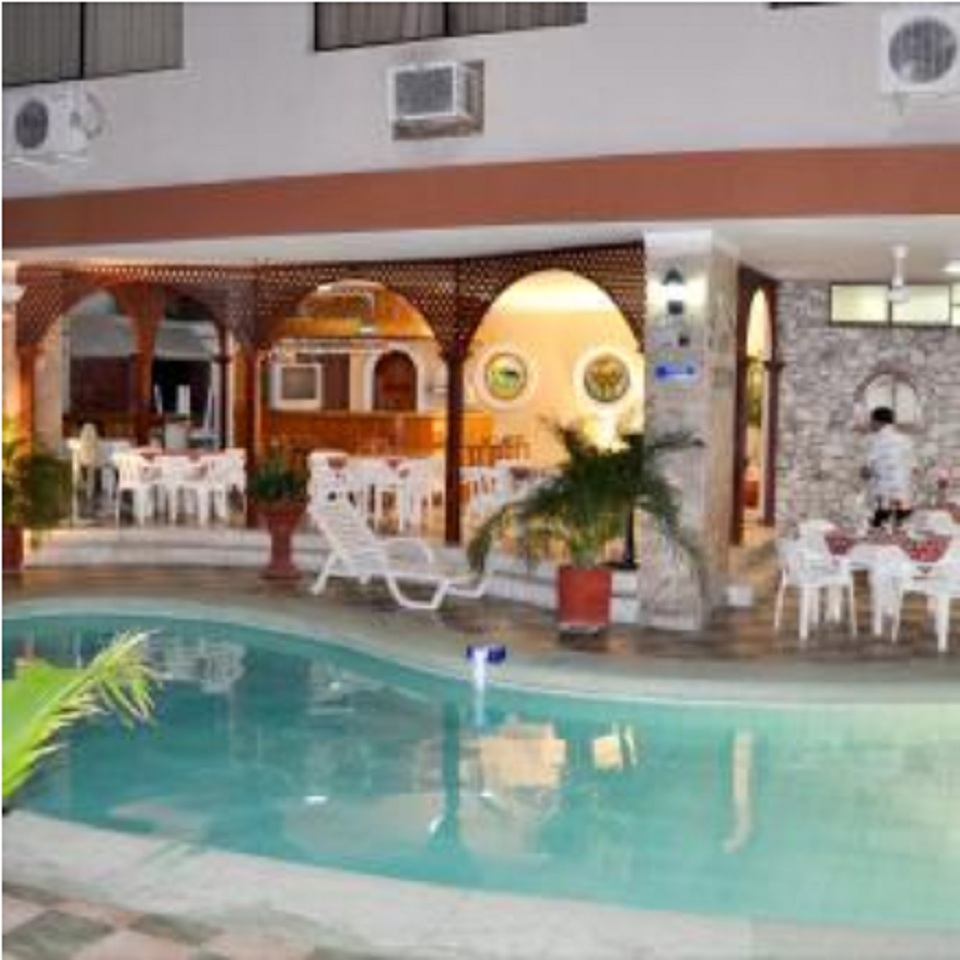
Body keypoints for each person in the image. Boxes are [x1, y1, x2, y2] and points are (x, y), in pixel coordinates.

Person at [862, 406, 916, 529]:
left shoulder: (875, 440)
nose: (870, 424)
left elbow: (867, 470)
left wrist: (866, 473)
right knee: (902, 528)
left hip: (884, 495)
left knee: (879, 529)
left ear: (878, 422)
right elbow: (914, 468)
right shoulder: (906, 439)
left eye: (872, 421)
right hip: (903, 495)